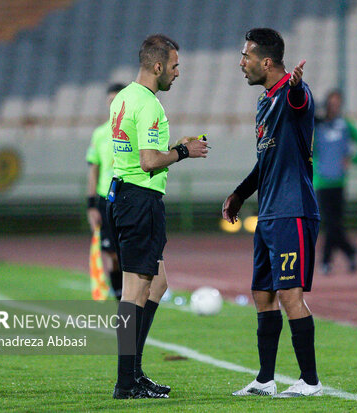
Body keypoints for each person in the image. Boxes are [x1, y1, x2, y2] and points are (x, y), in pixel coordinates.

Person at [222, 28, 322, 398]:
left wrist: (297, 86)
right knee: (262, 294)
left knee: (289, 294)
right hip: (268, 214)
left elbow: (299, 101)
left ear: (266, 61)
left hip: (293, 210)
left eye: (245, 56)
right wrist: (239, 194)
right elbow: (264, 161)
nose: (241, 63)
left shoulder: (296, 95)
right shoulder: (264, 102)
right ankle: (265, 379)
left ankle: (310, 381)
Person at [107, 34, 208, 399]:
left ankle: (133, 372)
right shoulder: (149, 104)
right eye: (175, 65)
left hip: (125, 195)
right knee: (134, 291)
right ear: (158, 66)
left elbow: (138, 153)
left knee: (158, 283)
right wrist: (183, 150)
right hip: (140, 200)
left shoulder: (124, 97)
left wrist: (172, 147)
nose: (178, 73)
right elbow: (149, 162)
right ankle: (126, 381)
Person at [313, 89, 357, 274]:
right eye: (332, 102)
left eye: (338, 103)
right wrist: (315, 166)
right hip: (321, 182)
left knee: (334, 224)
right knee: (331, 223)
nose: (334, 106)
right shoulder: (317, 125)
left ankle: (328, 261)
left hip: (339, 181)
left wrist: (353, 159)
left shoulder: (346, 126)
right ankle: (349, 252)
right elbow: (306, 148)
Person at [85, 83, 126, 299]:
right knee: (111, 253)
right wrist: (91, 205)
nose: (113, 105)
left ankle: (132, 297)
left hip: (129, 197)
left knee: (128, 252)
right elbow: (94, 170)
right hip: (106, 199)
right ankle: (121, 299)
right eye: (110, 101)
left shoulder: (134, 130)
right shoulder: (100, 134)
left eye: (117, 100)